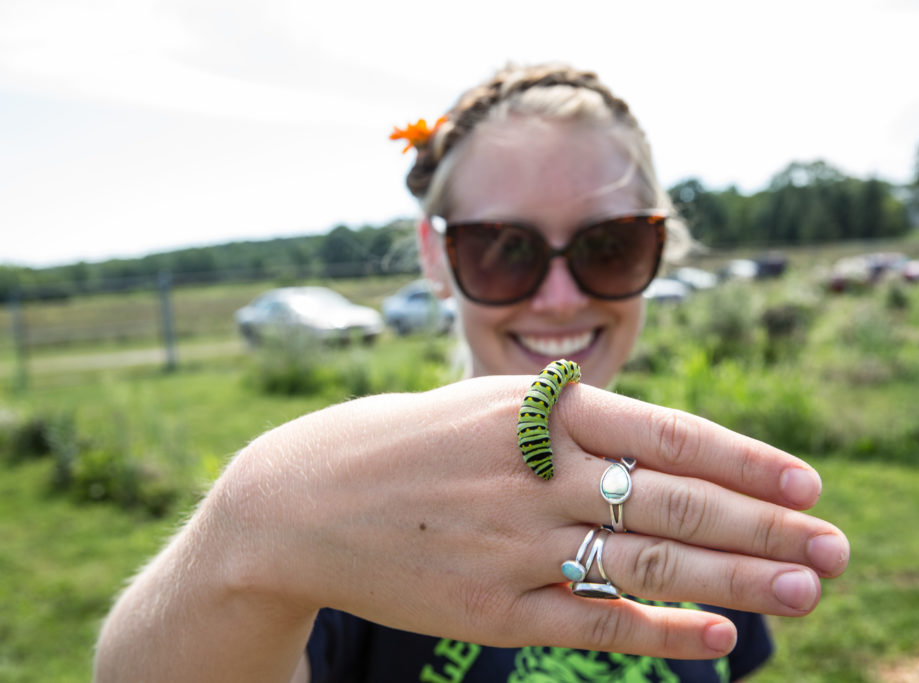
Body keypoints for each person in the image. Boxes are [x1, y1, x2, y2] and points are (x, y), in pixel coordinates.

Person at [94, 62, 849, 683]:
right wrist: (253, 525)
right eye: (503, 248)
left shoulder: (702, 505)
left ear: (659, 249)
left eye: (608, 245)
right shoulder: (365, 511)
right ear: (436, 256)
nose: (561, 298)